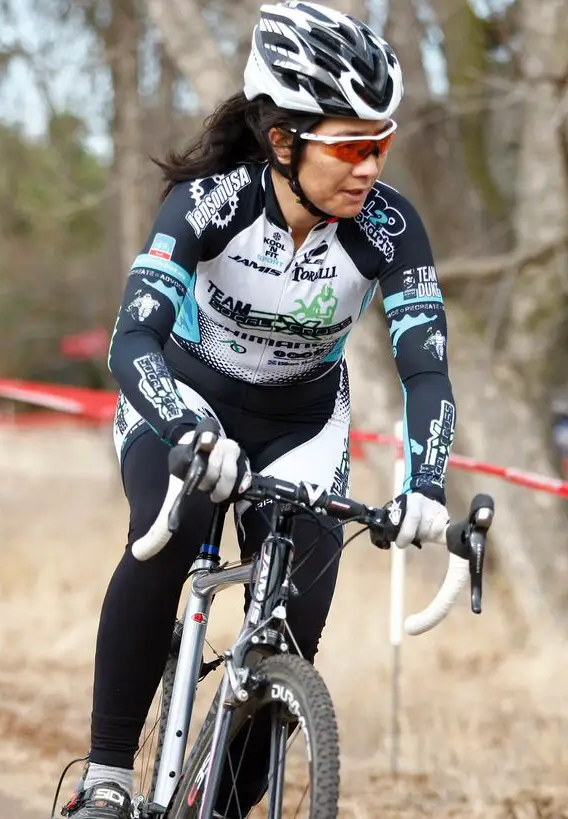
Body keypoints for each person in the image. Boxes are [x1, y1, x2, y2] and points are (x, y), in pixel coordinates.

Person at [65, 3, 456, 817]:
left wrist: (427, 484)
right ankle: (106, 775)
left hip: (304, 424)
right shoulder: (209, 205)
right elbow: (130, 340)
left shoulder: (389, 229)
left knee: (294, 627)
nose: (369, 167)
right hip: (184, 398)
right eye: (350, 145)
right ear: (283, 140)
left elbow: (426, 369)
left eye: (380, 144)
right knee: (168, 537)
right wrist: (184, 427)